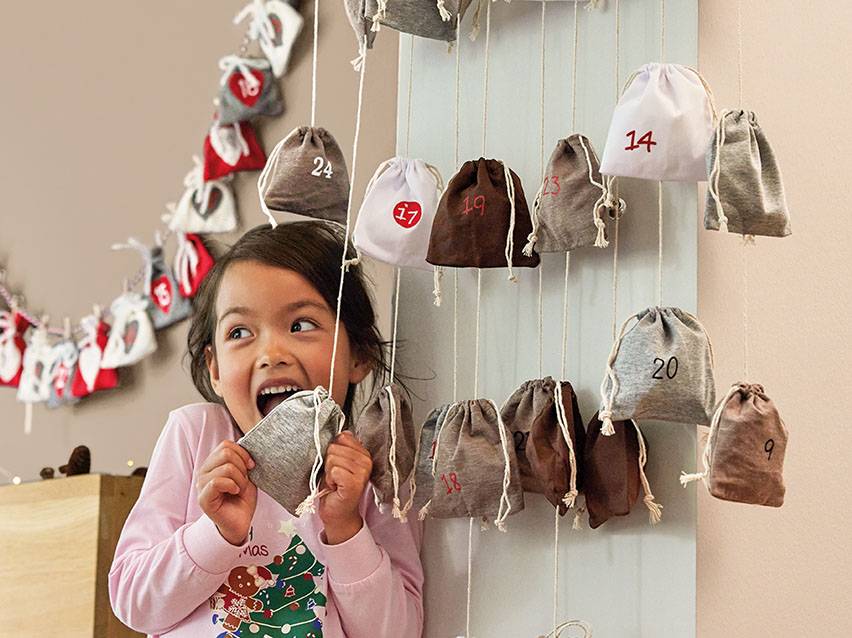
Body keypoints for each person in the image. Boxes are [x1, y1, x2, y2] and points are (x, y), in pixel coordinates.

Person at [109, 221, 424, 637]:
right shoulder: (195, 435)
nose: (272, 353)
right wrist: (216, 533)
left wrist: (346, 528)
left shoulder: (378, 466)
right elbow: (134, 603)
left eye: (301, 325)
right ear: (215, 369)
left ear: (359, 355)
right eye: (240, 332)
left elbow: (398, 632)